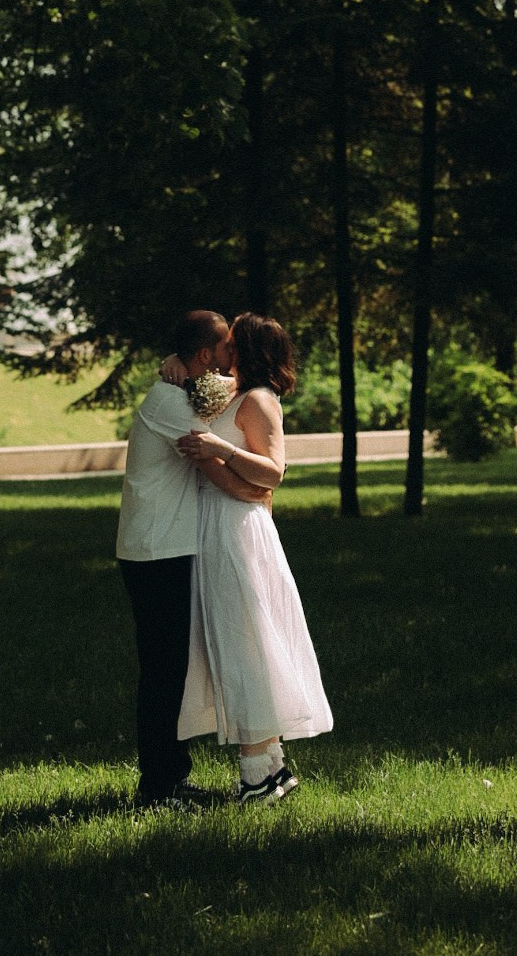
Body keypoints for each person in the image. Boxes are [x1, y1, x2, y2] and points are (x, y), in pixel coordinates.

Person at [170, 312, 333, 804]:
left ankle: (257, 776)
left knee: (247, 642)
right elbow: (183, 367)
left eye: (232, 341)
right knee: (237, 639)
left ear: (247, 349)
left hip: (237, 533)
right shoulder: (228, 390)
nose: (223, 347)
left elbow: (273, 473)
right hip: (216, 521)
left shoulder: (260, 399)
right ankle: (271, 769)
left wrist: (218, 450)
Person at [116, 309, 270, 809]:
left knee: (172, 669)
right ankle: (159, 789)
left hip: (167, 547)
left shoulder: (179, 391)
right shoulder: (169, 403)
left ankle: (170, 780)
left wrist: (176, 361)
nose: (232, 357)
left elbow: (229, 392)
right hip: (156, 550)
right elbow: (223, 424)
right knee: (163, 671)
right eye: (226, 348)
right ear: (205, 355)